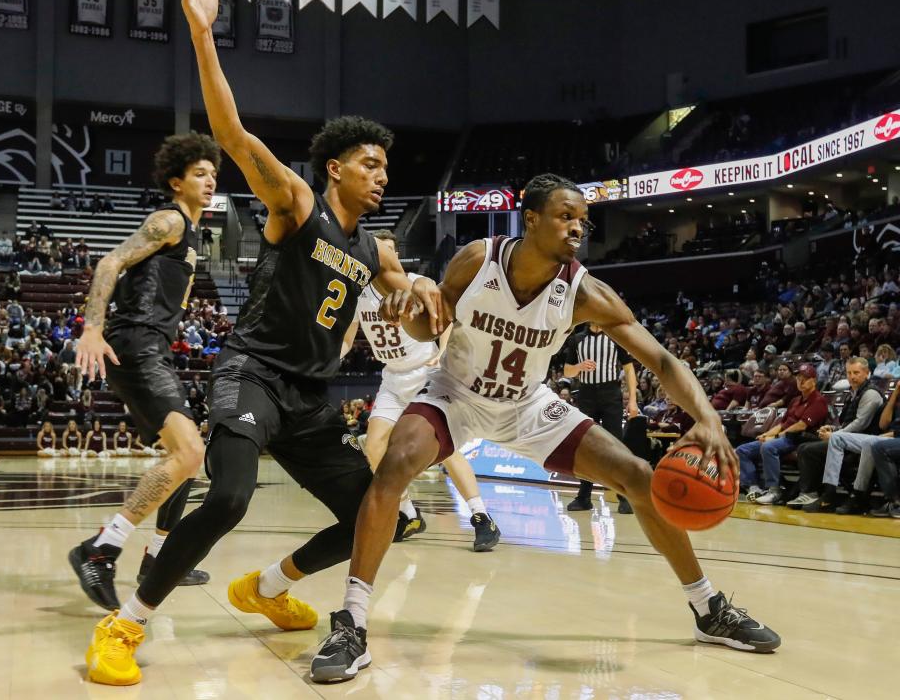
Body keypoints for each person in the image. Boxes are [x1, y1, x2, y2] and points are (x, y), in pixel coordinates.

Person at [82, 0, 444, 687]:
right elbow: (233, 131)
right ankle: (123, 626)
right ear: (336, 166)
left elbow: (409, 311)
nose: (382, 176)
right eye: (370, 164)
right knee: (230, 496)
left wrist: (424, 297)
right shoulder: (297, 204)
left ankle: (267, 587)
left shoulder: (375, 247)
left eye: (386, 167)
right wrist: (203, 36)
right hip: (253, 374)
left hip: (311, 399)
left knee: (386, 515)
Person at [311, 173, 779, 683]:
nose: (577, 228)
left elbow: (661, 360)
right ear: (531, 219)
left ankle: (708, 607)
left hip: (528, 405)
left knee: (639, 475)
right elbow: (433, 323)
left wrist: (707, 417)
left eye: (583, 220)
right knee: (395, 463)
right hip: (457, 395)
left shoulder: (585, 293)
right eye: (565, 216)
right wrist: (408, 315)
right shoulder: (478, 258)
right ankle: (353, 621)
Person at [68, 132, 218, 615]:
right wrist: (92, 329)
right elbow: (110, 262)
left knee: (186, 458)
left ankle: (154, 558)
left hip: (154, 348)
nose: (210, 179)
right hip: (136, 343)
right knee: (190, 451)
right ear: (177, 181)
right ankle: (101, 549)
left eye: (213, 172)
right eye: (199, 173)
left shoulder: (193, 236)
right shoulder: (169, 219)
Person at [342, 228, 501, 550]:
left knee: (446, 448)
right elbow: (347, 337)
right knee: (373, 446)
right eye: (376, 251)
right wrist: (331, 359)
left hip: (426, 374)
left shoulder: (411, 282)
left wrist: (442, 353)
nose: (381, 256)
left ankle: (481, 516)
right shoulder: (358, 294)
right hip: (393, 377)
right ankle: (410, 513)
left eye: (387, 250)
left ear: (395, 255)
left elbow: (446, 320)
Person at [562, 321, 640, 514]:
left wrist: (633, 400)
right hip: (587, 394)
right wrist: (579, 366)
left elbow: (629, 369)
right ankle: (584, 497)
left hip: (610, 393)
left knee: (616, 445)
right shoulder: (577, 339)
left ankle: (624, 495)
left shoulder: (616, 337)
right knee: (586, 445)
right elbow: (567, 371)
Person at [790, 358, 886, 513]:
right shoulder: (853, 392)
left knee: (808, 450)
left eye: (856, 372)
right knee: (805, 446)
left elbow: (860, 424)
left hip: (864, 441)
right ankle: (810, 492)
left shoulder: (871, 393)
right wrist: (833, 429)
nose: (852, 376)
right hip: (848, 438)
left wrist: (835, 435)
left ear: (867, 373)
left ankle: (816, 493)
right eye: (849, 372)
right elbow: (848, 422)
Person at [736, 364, 829, 505]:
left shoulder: (818, 400)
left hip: (800, 439)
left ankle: (774, 490)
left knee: (768, 447)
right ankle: (753, 487)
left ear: (814, 381)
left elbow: (801, 425)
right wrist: (767, 434)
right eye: (798, 378)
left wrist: (776, 437)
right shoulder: (795, 400)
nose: (801, 382)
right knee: (742, 450)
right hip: (784, 437)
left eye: (805, 378)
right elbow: (781, 424)